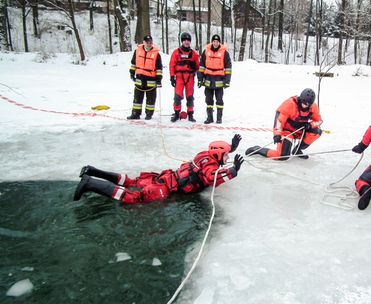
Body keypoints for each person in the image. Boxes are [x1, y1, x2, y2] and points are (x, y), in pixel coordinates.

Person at [73, 135, 244, 204]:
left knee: (131, 182)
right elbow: (211, 178)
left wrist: (232, 146)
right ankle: (90, 183)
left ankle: (92, 170)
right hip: (164, 187)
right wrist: (233, 171)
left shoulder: (205, 154)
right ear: (218, 154)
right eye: (226, 155)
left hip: (164, 177)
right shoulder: (210, 165)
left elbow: (217, 155)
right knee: (133, 198)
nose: (227, 158)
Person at [245, 88, 322, 160]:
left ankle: (298, 149)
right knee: (283, 156)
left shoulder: (313, 107)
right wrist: (277, 134)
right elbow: (279, 121)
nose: (305, 106)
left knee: (317, 132)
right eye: (304, 103)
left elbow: (319, 121)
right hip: (286, 131)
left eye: (308, 105)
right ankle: (258, 149)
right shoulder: (290, 104)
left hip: (299, 131)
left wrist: (310, 125)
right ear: (300, 99)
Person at [197, 34, 232, 124]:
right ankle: (210, 117)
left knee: (219, 100)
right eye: (214, 41)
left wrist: (227, 81)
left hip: (219, 81)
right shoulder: (206, 51)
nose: (215, 43)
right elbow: (201, 66)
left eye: (217, 41)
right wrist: (200, 79)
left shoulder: (225, 53)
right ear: (212, 42)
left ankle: (219, 118)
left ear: (219, 42)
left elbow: (228, 68)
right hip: (208, 80)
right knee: (208, 100)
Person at [127, 35, 163, 120]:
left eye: (150, 42)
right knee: (137, 97)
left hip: (151, 79)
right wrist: (132, 73)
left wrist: (158, 80)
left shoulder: (156, 54)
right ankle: (135, 113)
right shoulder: (137, 51)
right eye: (147, 42)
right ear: (143, 42)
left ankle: (149, 114)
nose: (149, 44)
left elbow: (159, 68)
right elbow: (133, 64)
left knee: (151, 98)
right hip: (139, 78)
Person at [169, 32, 200, 122]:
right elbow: (172, 65)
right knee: (177, 96)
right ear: (182, 41)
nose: (186, 42)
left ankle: (190, 114)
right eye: (184, 40)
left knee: (190, 96)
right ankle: (177, 113)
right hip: (179, 77)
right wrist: (172, 77)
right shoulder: (176, 53)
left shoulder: (194, 54)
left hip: (190, 77)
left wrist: (200, 78)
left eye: (188, 40)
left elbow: (198, 66)